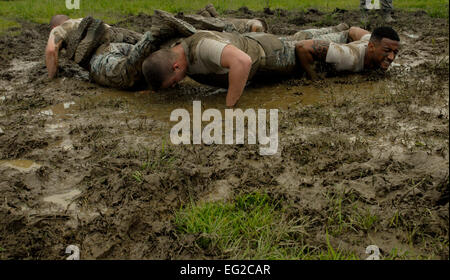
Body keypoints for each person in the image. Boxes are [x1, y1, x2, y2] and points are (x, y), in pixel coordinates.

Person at [142, 23, 398, 107]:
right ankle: (337, 31)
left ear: (177, 67)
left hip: (272, 56)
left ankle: (337, 31)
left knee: (301, 49)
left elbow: (241, 63)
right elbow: (159, 68)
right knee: (298, 40)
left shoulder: (201, 48)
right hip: (263, 43)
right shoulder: (176, 54)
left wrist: (230, 108)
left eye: (175, 83)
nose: (178, 85)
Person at [295, 26, 400, 80]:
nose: (391, 57)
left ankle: (340, 28)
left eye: (395, 52)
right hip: (309, 40)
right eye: (387, 51)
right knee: (300, 36)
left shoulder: (374, 45)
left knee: (349, 30)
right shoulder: (349, 57)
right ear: (371, 47)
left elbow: (354, 30)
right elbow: (302, 47)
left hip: (355, 40)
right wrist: (314, 80)